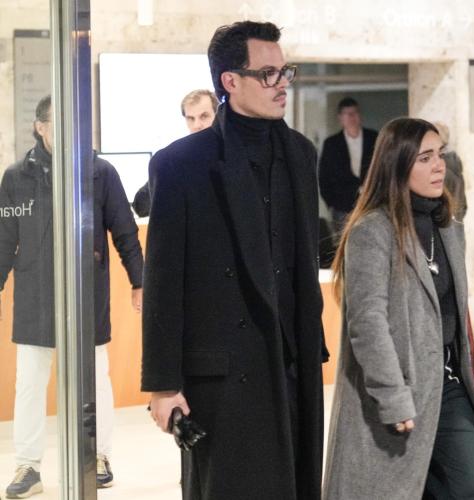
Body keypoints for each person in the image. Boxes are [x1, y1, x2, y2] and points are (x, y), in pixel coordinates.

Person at [142, 21, 326, 500]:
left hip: (292, 363)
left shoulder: (301, 154)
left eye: (284, 71)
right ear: (230, 81)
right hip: (222, 374)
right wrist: (163, 385)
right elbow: (163, 280)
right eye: (268, 74)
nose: (282, 83)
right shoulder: (180, 164)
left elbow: (302, 263)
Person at [323, 117, 474, 500]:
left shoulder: (448, 228)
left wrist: (471, 372)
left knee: (473, 487)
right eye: (425, 158)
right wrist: (392, 394)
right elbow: (368, 323)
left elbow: (455, 312)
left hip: (448, 383)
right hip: (398, 386)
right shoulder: (371, 231)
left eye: (439, 154)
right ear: (397, 165)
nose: (439, 166)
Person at [1, 95, 144, 498]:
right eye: (59, 122)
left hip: (85, 293)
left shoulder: (100, 173)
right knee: (30, 384)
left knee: (95, 380)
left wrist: (139, 280)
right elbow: (4, 240)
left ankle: (98, 457)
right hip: (35, 295)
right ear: (40, 127)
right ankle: (28, 467)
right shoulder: (16, 177)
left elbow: (125, 231)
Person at [132, 89, 219, 218]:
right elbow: (140, 206)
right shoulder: (177, 159)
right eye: (190, 118)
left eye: (204, 116)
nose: (197, 125)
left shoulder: (231, 154)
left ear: (218, 115)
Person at [318, 97, 378, 236]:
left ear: (360, 115)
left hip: (371, 204)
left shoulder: (374, 138)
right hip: (342, 206)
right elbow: (324, 176)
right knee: (343, 243)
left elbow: (383, 168)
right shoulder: (332, 144)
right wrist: (331, 204)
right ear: (340, 118)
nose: (351, 117)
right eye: (347, 114)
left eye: (354, 112)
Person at [433, 121, 467, 221]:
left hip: (442, 222)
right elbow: (463, 203)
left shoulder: (440, 168)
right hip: (455, 221)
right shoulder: (455, 164)